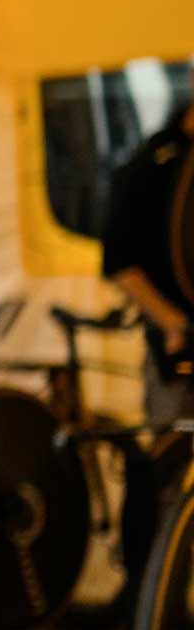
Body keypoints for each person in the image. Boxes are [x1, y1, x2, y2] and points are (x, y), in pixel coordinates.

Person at [102, 99, 194, 424]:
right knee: (173, 455)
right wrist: (174, 323)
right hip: (178, 349)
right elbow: (118, 262)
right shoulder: (155, 162)